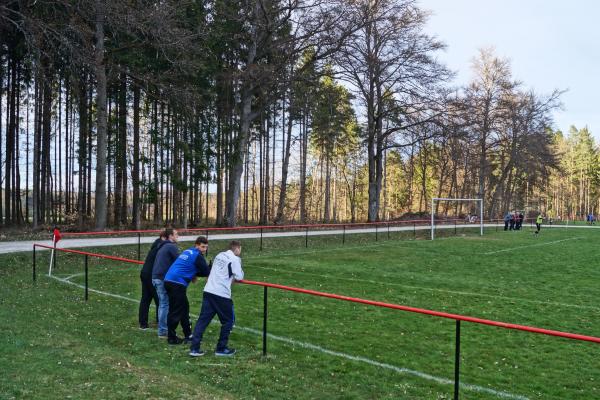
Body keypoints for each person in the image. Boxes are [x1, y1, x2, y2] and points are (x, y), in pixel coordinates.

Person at [189, 240, 244, 357]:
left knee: (202, 320)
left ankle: (194, 348)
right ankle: (221, 348)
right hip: (221, 294)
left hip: (209, 290)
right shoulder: (235, 259)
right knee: (228, 321)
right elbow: (239, 276)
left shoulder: (219, 255)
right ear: (237, 249)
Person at [163, 236, 211, 345]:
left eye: (206, 247)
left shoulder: (187, 251)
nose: (204, 249)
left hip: (169, 280)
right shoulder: (197, 256)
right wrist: (210, 268)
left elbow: (190, 267)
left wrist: (196, 272)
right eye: (202, 247)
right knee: (176, 311)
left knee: (184, 308)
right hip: (177, 283)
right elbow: (205, 271)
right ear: (197, 245)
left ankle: (188, 334)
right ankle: (171, 338)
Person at [151, 228, 179, 338]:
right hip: (161, 278)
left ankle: (164, 328)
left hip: (156, 277)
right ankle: (162, 330)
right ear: (170, 236)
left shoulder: (163, 245)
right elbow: (179, 261)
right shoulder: (171, 246)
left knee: (164, 303)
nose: (178, 236)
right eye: (176, 234)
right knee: (164, 304)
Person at [138, 230, 167, 330]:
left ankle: (143, 323)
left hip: (145, 273)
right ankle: (161, 322)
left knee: (145, 299)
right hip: (151, 275)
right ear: (164, 237)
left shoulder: (157, 244)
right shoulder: (161, 246)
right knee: (159, 299)